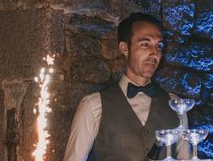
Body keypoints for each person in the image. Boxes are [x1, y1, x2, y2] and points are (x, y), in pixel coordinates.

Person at [63, 12, 188, 161]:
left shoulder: (177, 106)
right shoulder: (93, 105)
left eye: (159, 46)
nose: (154, 53)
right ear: (124, 48)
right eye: (145, 44)